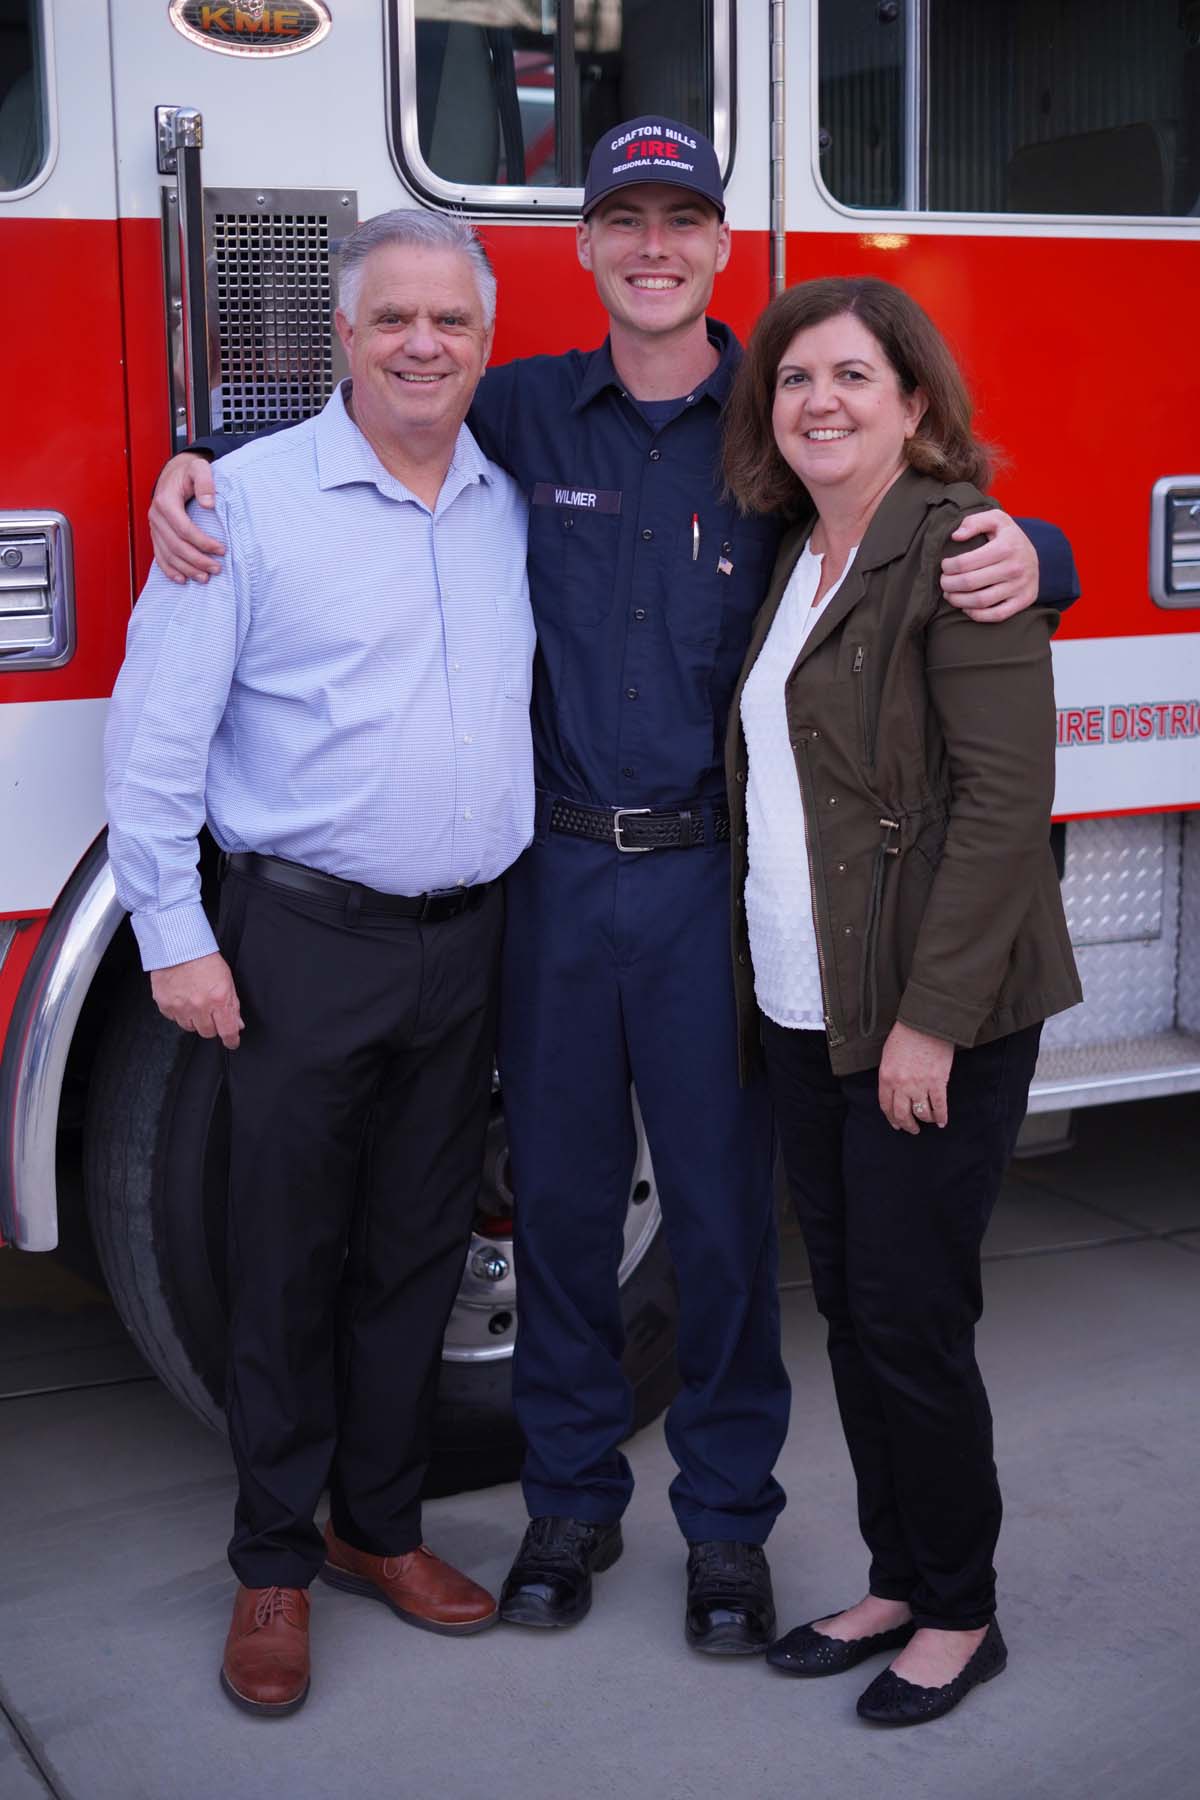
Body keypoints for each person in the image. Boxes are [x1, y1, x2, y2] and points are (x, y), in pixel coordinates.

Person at [146, 119, 1078, 1657]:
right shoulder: (516, 408)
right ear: (577, 250)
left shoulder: (778, 428)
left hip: (714, 884)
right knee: (564, 1215)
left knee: (718, 1224)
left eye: (683, 220)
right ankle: (570, 1507)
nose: (653, 245)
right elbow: (370, 414)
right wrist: (201, 472)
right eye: (623, 219)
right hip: (557, 884)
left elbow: (925, 509)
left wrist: (1036, 551)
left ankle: (727, 1530)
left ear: (723, 249)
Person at [105, 210, 535, 1715]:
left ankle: (379, 1528)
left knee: (418, 1256)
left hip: (467, 938)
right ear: (341, 339)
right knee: (284, 1265)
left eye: (454, 323)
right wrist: (176, 940)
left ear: (487, 342)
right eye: (394, 320)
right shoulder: (245, 501)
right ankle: (273, 1567)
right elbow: (154, 739)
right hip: (302, 938)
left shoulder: (508, 496)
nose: (424, 344)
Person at [721, 276, 1082, 1723]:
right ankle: (897, 1574)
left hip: (934, 1017)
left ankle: (962, 1613)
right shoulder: (799, 556)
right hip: (810, 1005)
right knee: (861, 1320)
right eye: (796, 379)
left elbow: (1005, 808)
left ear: (915, 403)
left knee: (913, 1318)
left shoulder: (962, 548)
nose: (820, 401)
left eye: (854, 377)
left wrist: (929, 1023)